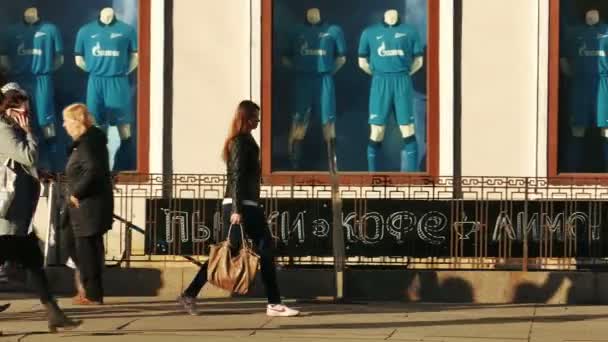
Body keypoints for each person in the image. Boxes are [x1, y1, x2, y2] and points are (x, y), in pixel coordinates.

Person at [177, 100, 300, 317]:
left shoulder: (245, 141)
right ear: (245, 118)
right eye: (255, 117)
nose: (258, 120)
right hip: (240, 207)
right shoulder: (239, 142)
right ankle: (189, 294)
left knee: (263, 250)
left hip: (247, 205)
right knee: (229, 252)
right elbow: (235, 177)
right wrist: (236, 209)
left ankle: (274, 303)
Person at [0, 83, 81, 332]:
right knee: (30, 261)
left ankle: (54, 313)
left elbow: (20, 164)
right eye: (21, 109)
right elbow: (28, 156)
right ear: (8, 109)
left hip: (19, 213)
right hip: (8, 215)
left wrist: (39, 173)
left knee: (34, 263)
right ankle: (54, 312)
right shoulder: (5, 131)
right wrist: (29, 133)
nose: (26, 113)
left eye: (27, 109)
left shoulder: (10, 130)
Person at [62, 103, 113, 305]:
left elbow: (93, 170)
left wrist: (77, 192)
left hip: (88, 205)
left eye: (66, 121)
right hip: (83, 206)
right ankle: (88, 289)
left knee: (87, 250)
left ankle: (93, 294)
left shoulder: (89, 143)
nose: (64, 125)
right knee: (75, 244)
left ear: (76, 122)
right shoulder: (86, 142)